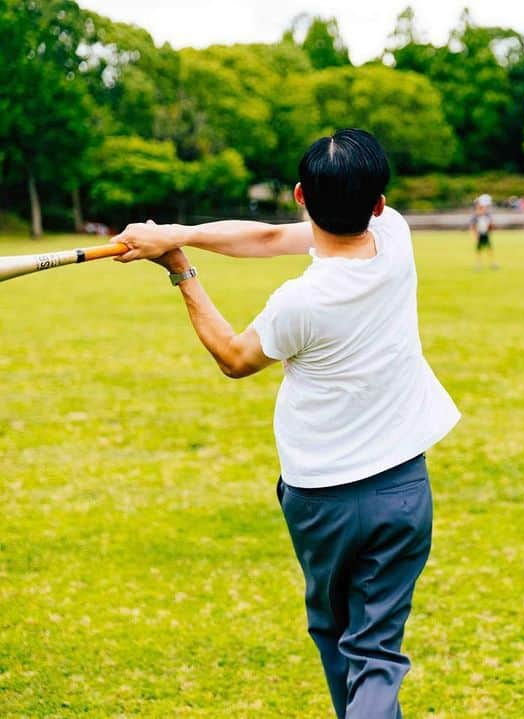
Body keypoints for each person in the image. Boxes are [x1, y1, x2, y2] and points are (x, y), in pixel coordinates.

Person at [111, 129, 460, 719]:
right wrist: (180, 234)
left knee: (336, 635)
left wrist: (180, 269)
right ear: (378, 204)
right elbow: (270, 238)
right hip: (402, 491)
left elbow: (234, 357)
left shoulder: (302, 302)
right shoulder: (394, 235)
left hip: (323, 499)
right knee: (370, 651)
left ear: (299, 194)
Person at [470, 197, 497, 271]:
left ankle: (493, 263)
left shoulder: (487, 214)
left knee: (489, 249)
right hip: (479, 234)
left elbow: (491, 224)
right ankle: (478, 264)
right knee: (479, 250)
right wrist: (475, 235)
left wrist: (491, 228)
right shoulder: (476, 216)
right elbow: (472, 226)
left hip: (486, 234)